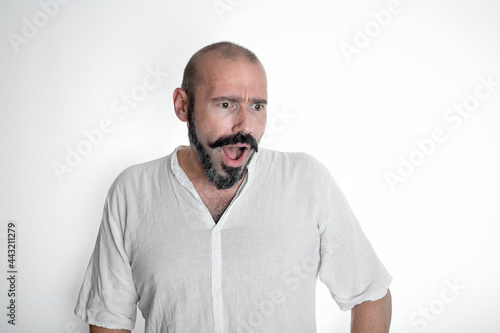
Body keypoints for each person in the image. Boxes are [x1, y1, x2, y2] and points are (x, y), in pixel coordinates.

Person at [74, 41, 392, 333]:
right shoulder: (132, 192)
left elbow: (370, 293)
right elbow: (109, 319)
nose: (246, 126)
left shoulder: (305, 180)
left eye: (257, 107)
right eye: (226, 105)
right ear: (183, 106)